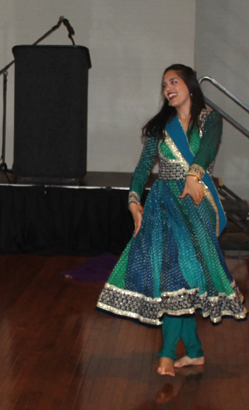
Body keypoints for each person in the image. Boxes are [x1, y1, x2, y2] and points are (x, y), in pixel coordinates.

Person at [97, 64, 246, 376]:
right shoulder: (160, 127)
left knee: (184, 278)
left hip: (195, 203)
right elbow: (142, 170)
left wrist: (194, 174)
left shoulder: (209, 119)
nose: (167, 88)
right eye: (164, 84)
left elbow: (205, 152)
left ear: (189, 85)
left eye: (173, 81)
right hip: (163, 205)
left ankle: (172, 352)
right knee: (176, 280)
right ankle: (190, 352)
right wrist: (134, 202)